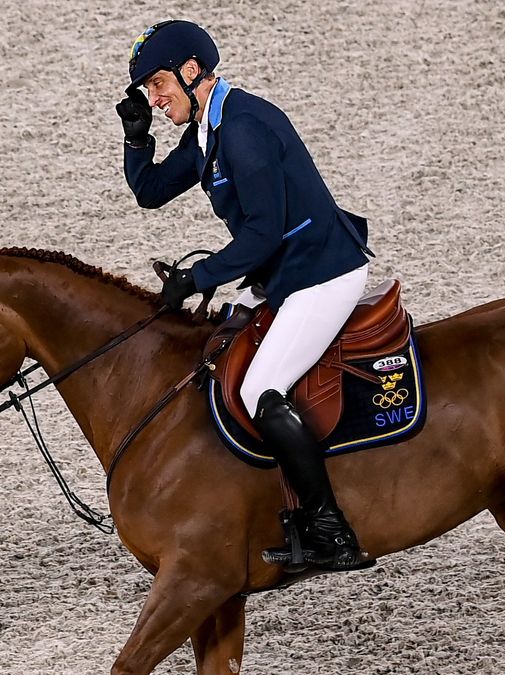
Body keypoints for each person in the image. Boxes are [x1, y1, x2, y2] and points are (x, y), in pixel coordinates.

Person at [115, 20, 375, 572]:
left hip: (321, 274)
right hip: (289, 276)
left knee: (261, 386)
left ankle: (331, 529)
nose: (156, 99)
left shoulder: (244, 130)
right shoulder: (209, 129)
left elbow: (263, 233)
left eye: (158, 85)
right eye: (147, 93)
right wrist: (137, 138)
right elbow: (152, 192)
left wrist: (198, 277)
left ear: (192, 72)